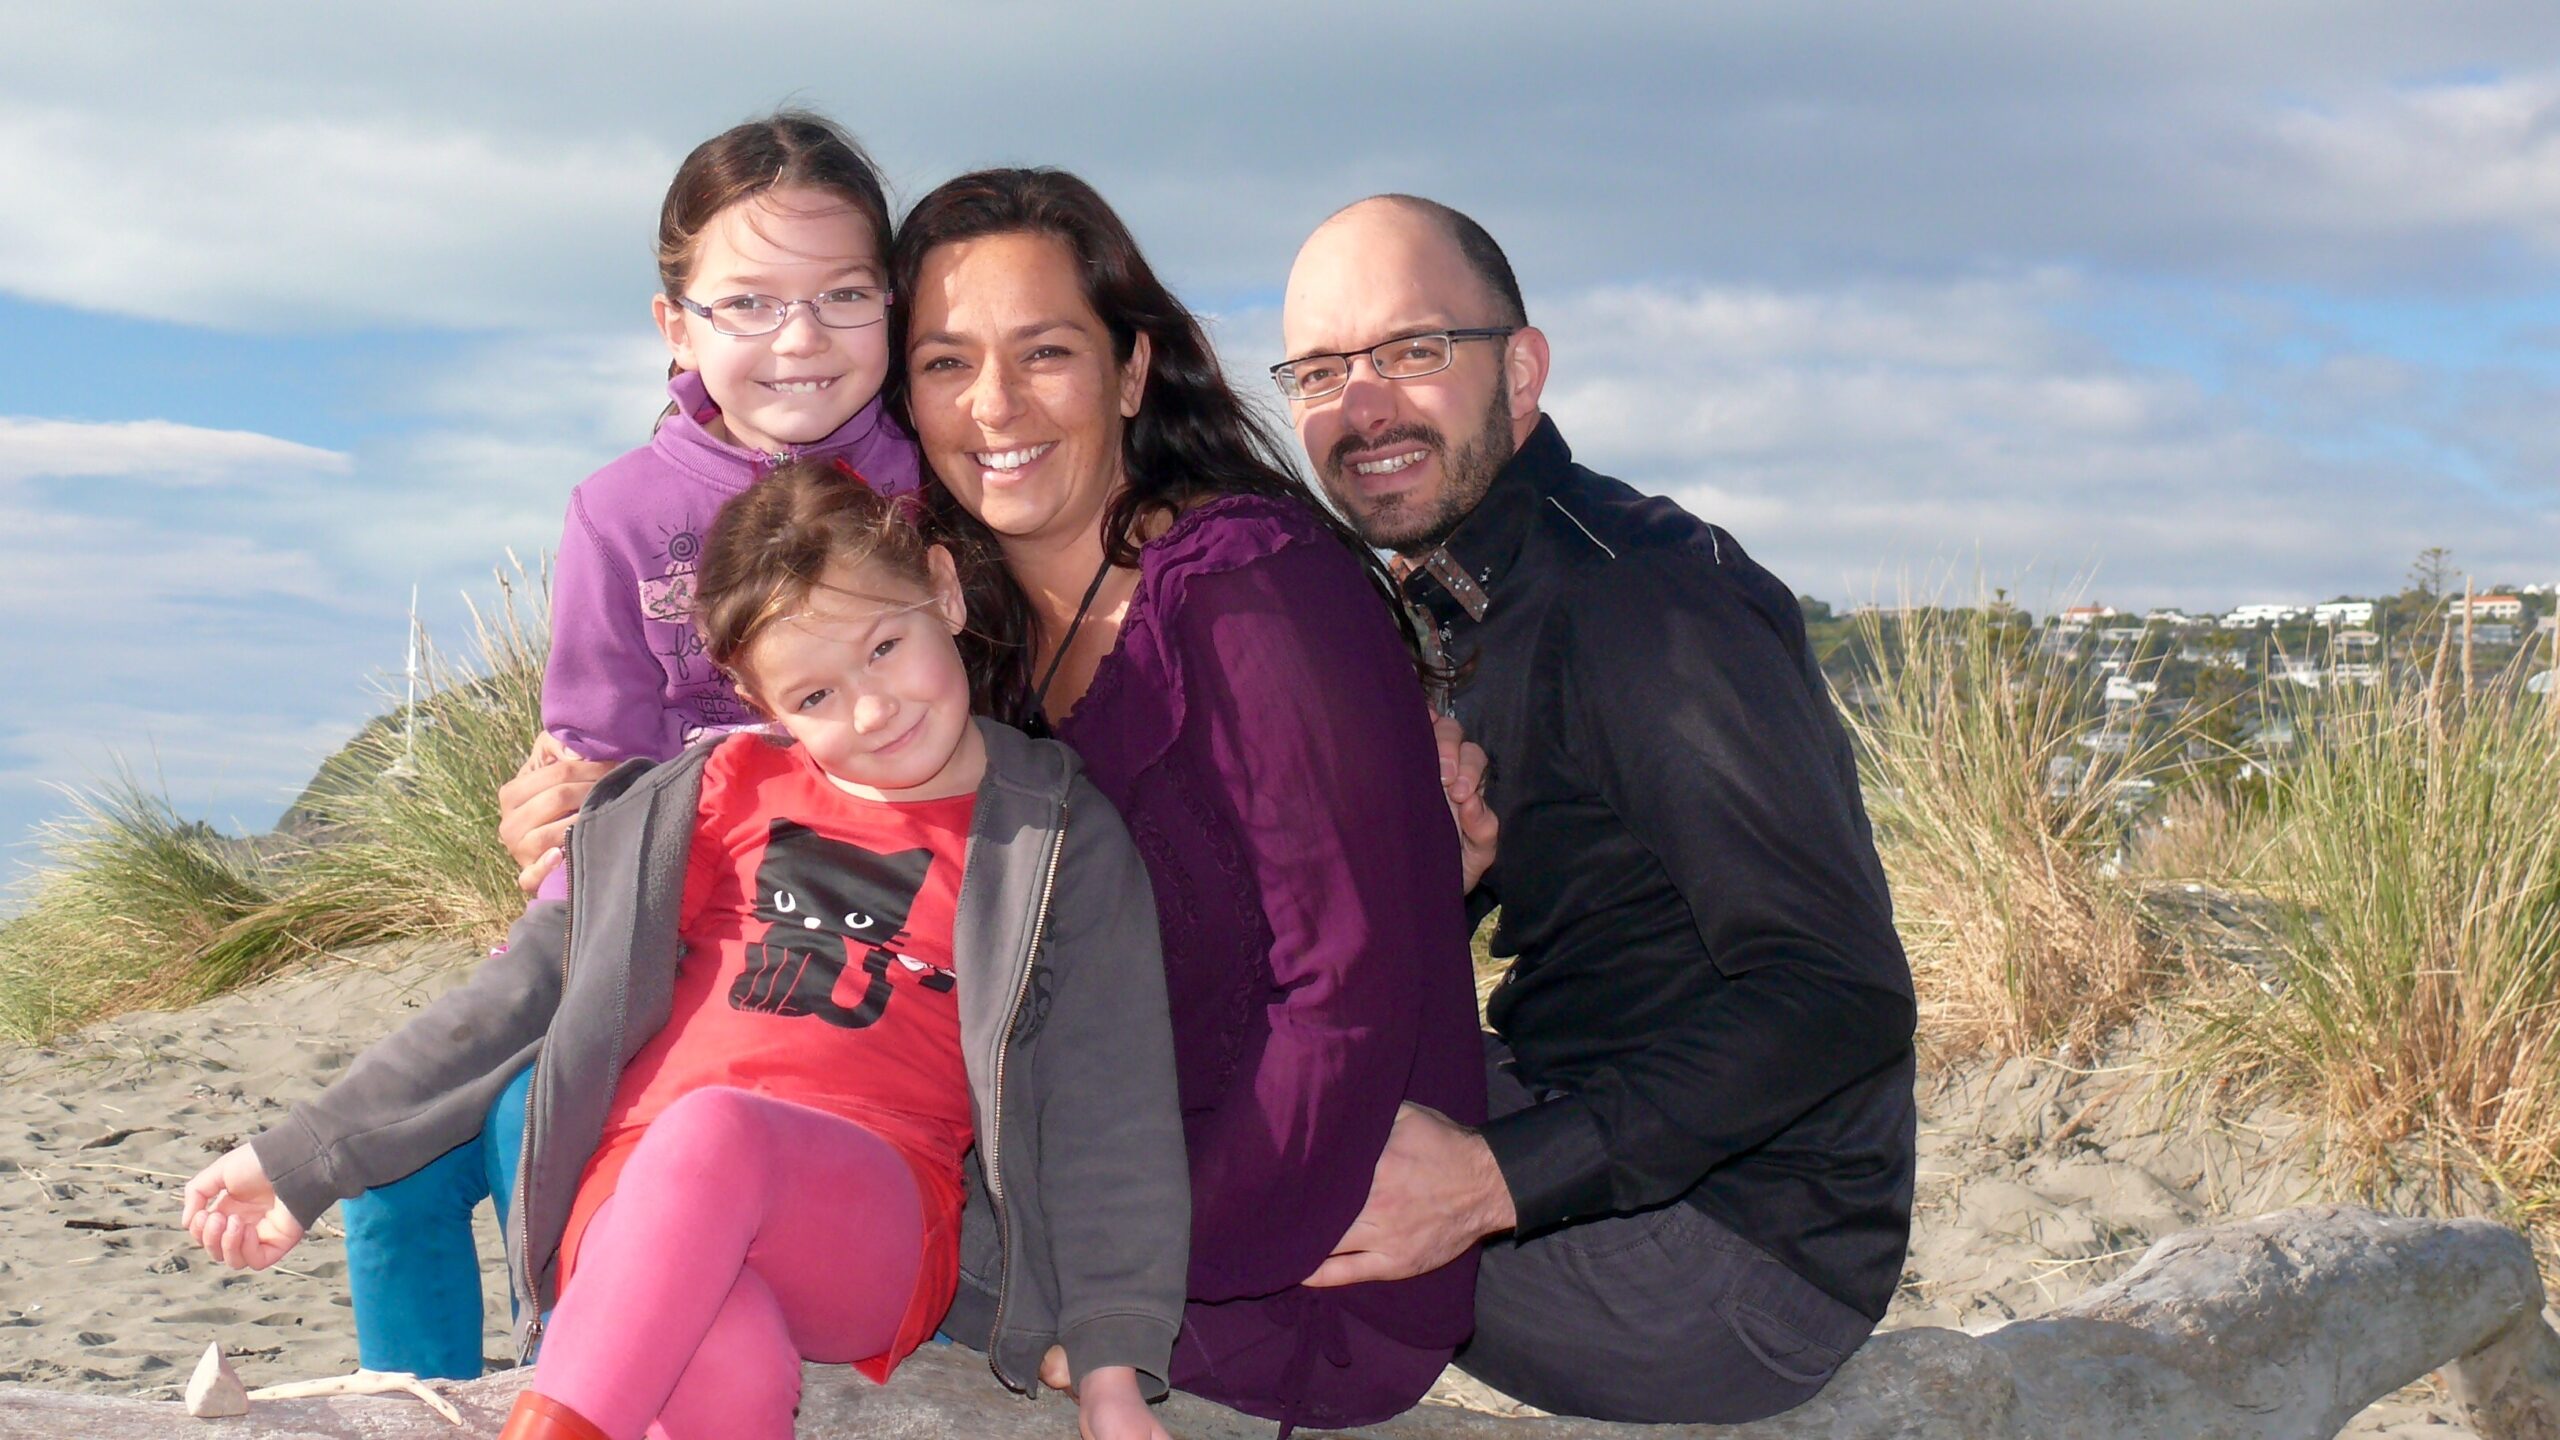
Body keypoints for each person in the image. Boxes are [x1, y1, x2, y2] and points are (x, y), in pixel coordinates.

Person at [180, 460, 1187, 1440]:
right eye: (816, 698)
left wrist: (1110, 1362)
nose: (872, 711)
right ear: (760, 705)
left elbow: (1112, 1106)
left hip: (871, 1212)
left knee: (717, 1134)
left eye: (884, 647)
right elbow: (521, 994)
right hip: (634, 1202)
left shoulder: (1051, 832)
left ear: (940, 589)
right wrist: (300, 1156)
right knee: (725, 1358)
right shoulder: (710, 797)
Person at [1275, 195, 1918, 1425]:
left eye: (1413, 352)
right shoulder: (1462, 599)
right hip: (1608, 1161)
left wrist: (1486, 1181)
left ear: (1519, 370)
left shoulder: (1643, 606)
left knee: (1192, 1115)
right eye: (1318, 370)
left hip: (1731, 1268)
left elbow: (1840, 994)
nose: (1360, 409)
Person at [890, 167, 1489, 1435]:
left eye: (1043, 351)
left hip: (1294, 1255)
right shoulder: (968, 646)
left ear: (1127, 371)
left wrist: (1130, 1286)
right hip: (1089, 1211)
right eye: (945, 363)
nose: (992, 405)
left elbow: (1348, 987)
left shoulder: (1242, 591)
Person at [340, 110, 921, 1383]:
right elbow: (584, 772)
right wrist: (556, 918)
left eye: (842, 296)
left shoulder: (930, 495)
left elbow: (914, 755)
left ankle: (582, 1381)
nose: (801, 340)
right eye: (748, 303)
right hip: (618, 916)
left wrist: (650, 805)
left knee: (523, 1121)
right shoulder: (621, 511)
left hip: (803, 931)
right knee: (391, 1166)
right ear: (676, 324)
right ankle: (415, 1406)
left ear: (893, 300)